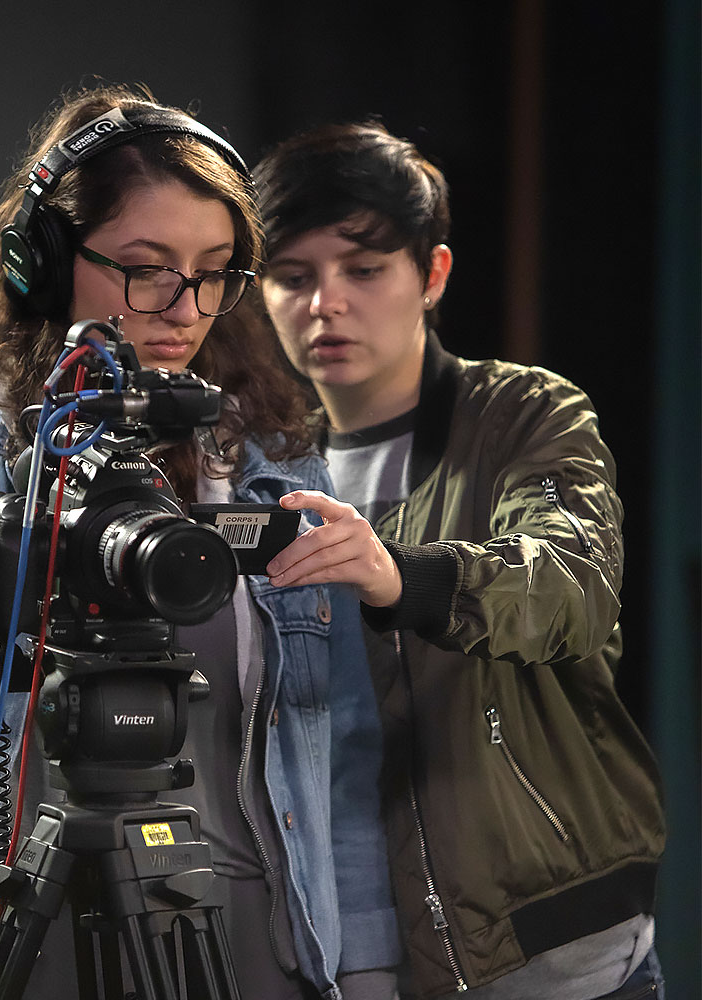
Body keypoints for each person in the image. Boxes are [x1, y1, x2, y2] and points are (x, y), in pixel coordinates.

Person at [0, 86, 400, 1000]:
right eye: (148, 269)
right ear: (48, 261)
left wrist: (367, 972)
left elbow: (341, 754)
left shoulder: (272, 468)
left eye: (215, 271)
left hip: (252, 945)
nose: (186, 308)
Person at [254, 121, 667, 1000]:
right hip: (360, 952)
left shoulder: (522, 414)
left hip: (559, 951)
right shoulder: (260, 462)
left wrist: (403, 576)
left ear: (431, 274)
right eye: (292, 276)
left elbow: (573, 584)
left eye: (363, 270)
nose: (326, 304)